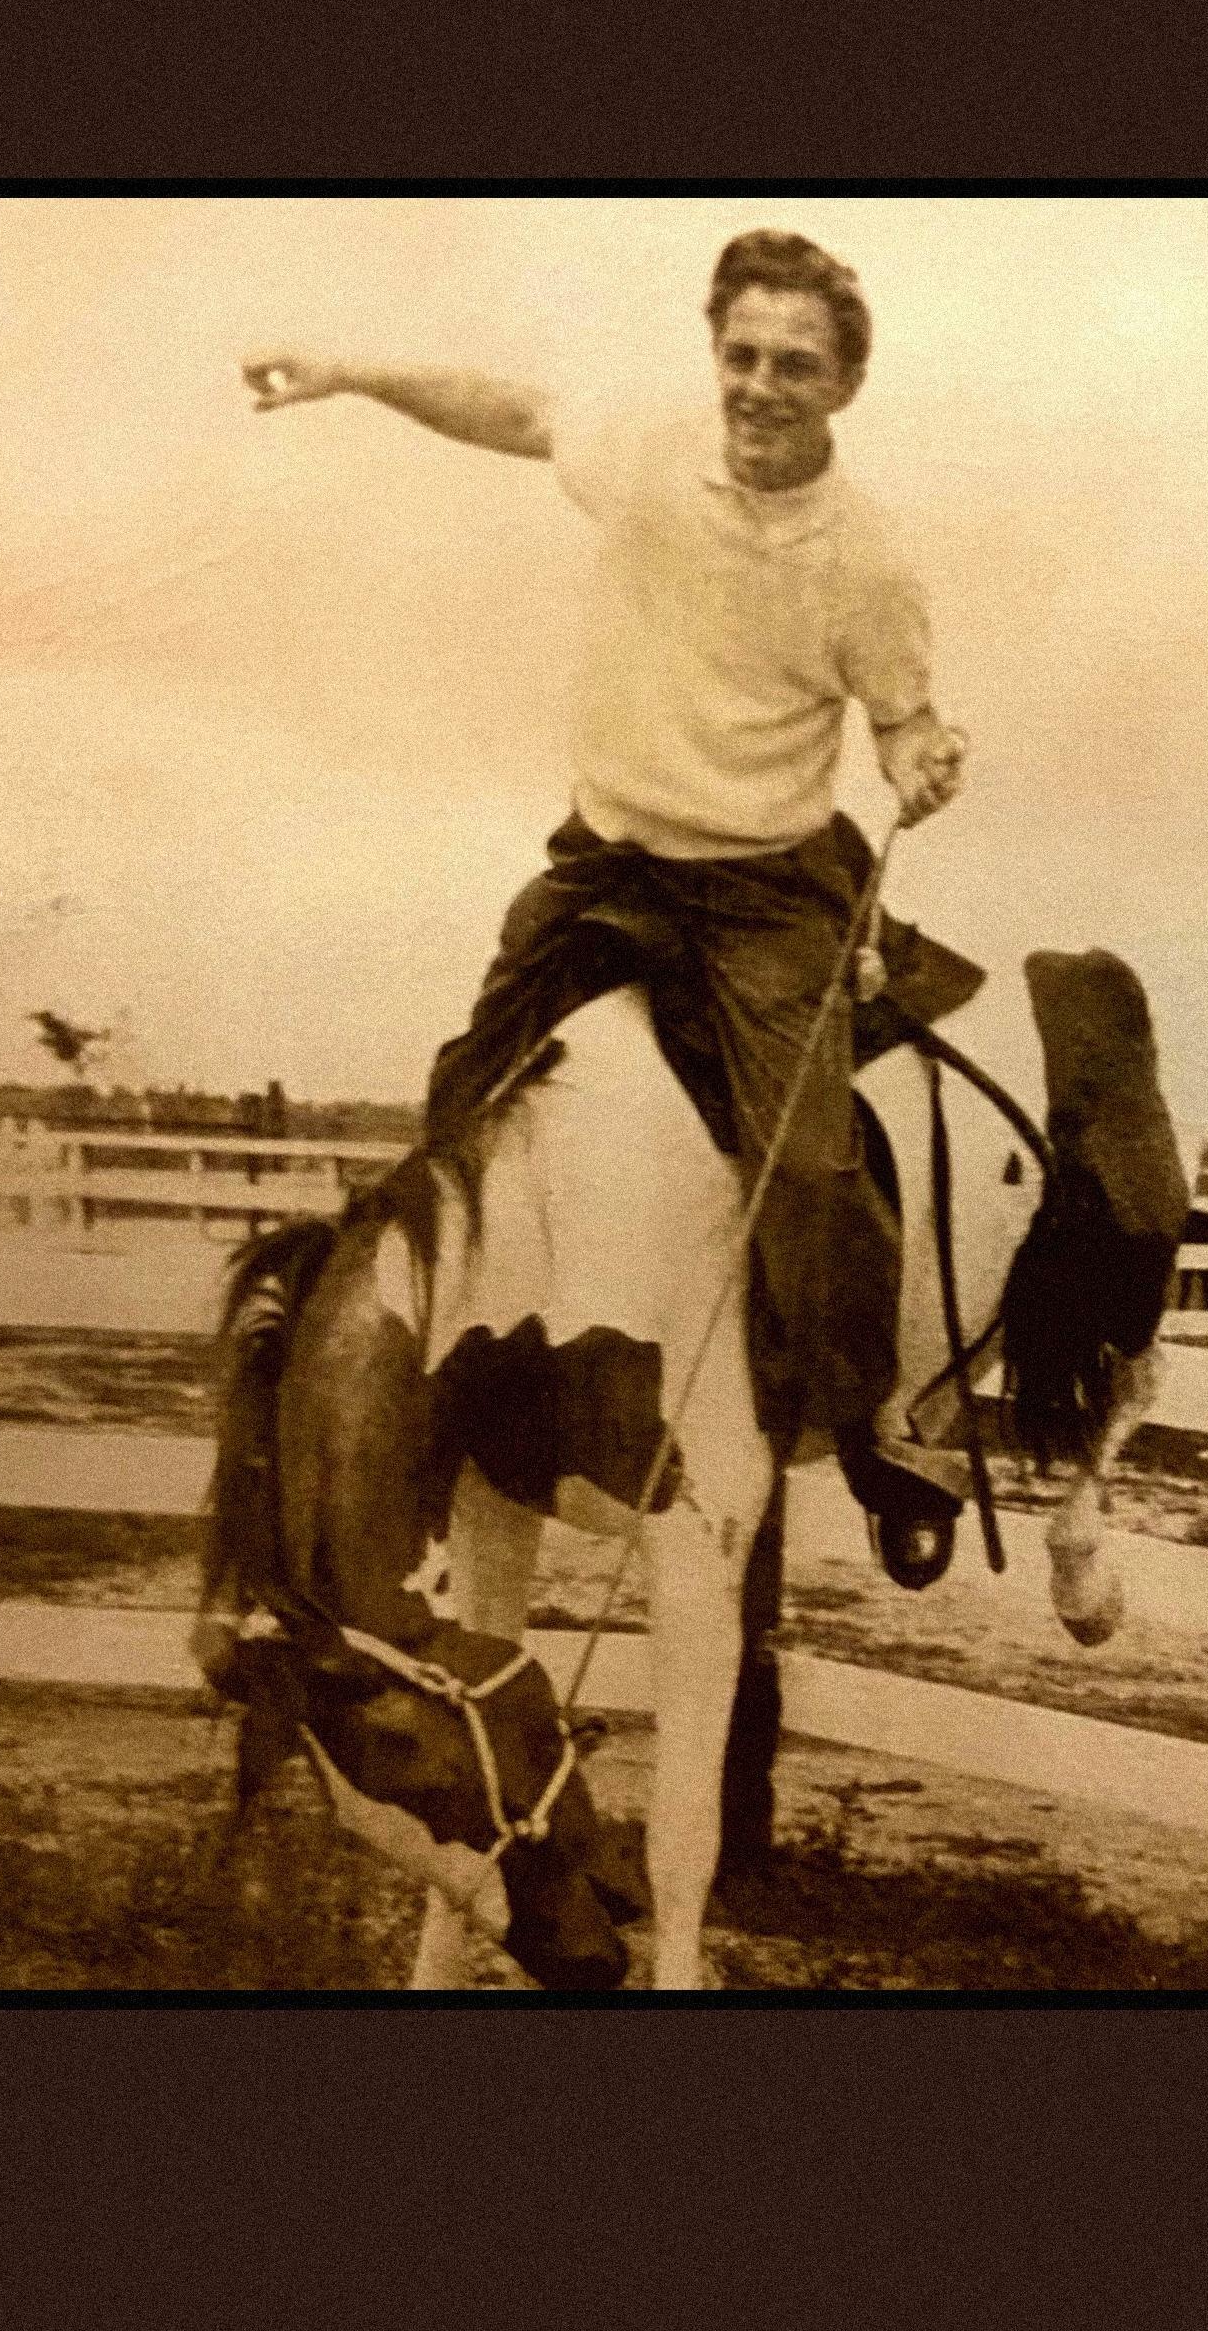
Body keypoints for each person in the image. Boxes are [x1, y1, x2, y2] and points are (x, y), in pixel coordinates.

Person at [242, 227, 973, 1526]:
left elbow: (903, 721)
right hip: (605, 862)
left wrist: (924, 759)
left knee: (809, 1174)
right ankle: (448, 1394)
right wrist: (350, 372)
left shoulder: (869, 560)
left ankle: (868, 1423)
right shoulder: (646, 448)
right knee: (463, 1102)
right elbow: (517, 413)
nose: (759, 387)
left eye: (795, 366)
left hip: (764, 887)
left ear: (846, 385)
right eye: (741, 355)